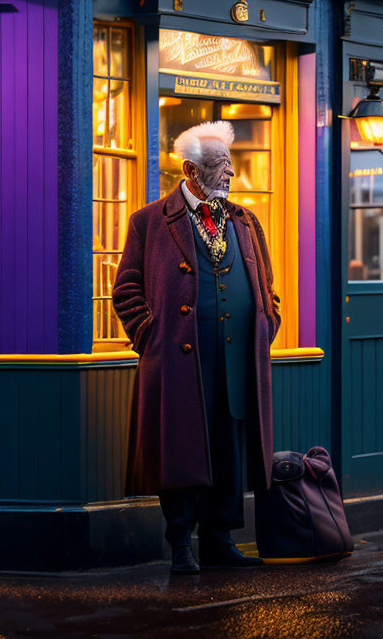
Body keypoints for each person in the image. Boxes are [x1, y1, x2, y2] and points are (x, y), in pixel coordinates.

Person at [113, 121, 281, 574]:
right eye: (219, 166)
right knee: (183, 450)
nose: (230, 174)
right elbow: (126, 291)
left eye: (230, 165)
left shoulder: (245, 220)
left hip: (235, 359)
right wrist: (152, 338)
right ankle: (182, 544)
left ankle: (220, 541)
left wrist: (268, 322)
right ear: (191, 170)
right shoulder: (148, 222)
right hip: (178, 363)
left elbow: (267, 285)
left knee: (227, 447)